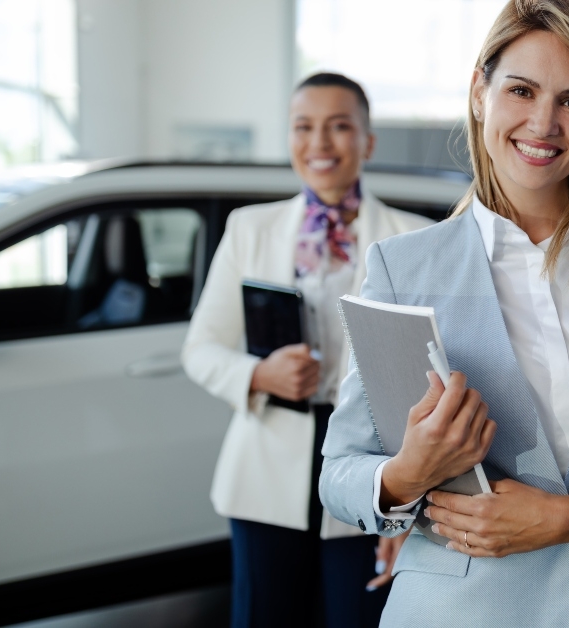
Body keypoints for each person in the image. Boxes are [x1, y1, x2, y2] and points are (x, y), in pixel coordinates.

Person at [318, 1, 569, 626]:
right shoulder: (403, 267)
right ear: (479, 93)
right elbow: (341, 472)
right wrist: (406, 475)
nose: (544, 124)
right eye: (521, 90)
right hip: (457, 611)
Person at [182, 73, 435, 628]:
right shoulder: (249, 229)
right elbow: (201, 348)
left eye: (339, 126)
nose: (320, 142)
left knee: (357, 615)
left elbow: (427, 378)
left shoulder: (412, 240)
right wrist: (258, 375)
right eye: (304, 127)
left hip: (375, 474)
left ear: (367, 142)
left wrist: (414, 499)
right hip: (266, 470)